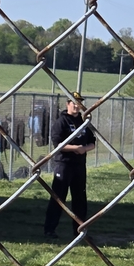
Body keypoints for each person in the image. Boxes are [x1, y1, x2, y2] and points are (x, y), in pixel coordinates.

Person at [43, 91, 96, 240]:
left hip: (79, 165)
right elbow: (57, 144)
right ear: (68, 104)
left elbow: (92, 141)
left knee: (80, 198)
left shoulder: (83, 122)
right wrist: (75, 148)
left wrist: (84, 149)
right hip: (64, 164)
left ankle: (79, 230)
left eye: (79, 103)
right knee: (58, 197)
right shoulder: (61, 121)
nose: (77, 106)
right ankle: (50, 229)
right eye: (74, 103)